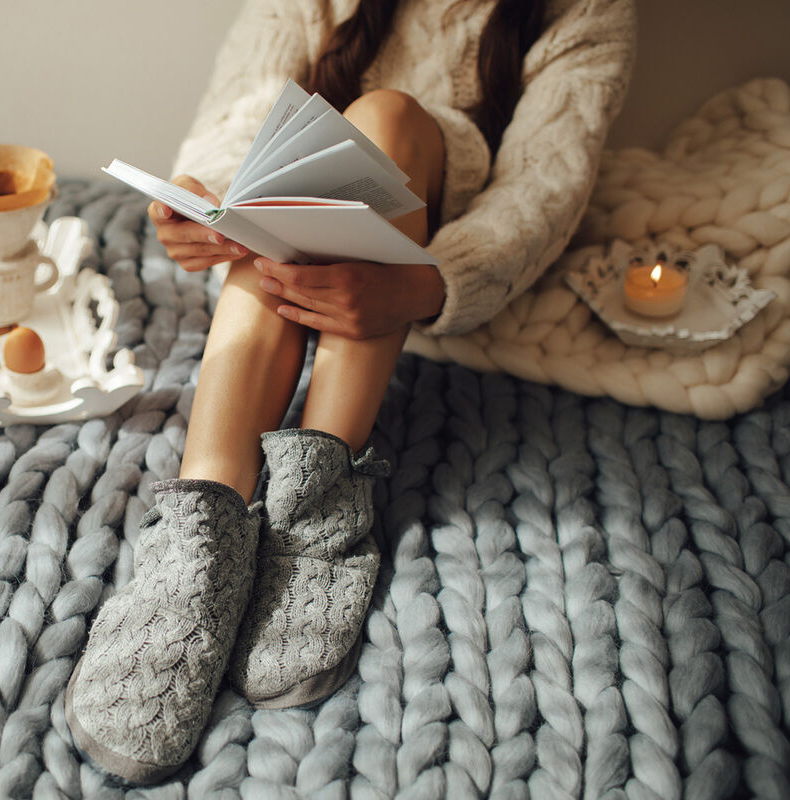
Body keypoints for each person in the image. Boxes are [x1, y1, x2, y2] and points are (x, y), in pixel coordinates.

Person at [65, 0, 637, 784]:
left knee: (387, 117)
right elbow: (245, 102)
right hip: (288, 244)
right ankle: (204, 522)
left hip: (426, 249)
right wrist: (214, 200)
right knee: (301, 177)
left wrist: (430, 283)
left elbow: (545, 190)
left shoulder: (588, 12)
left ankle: (315, 495)